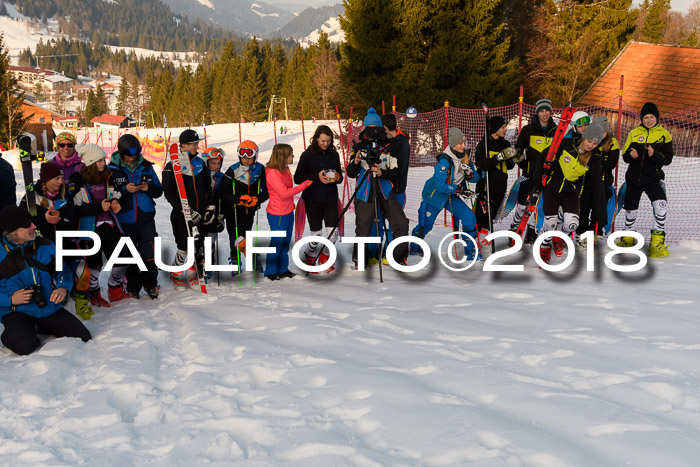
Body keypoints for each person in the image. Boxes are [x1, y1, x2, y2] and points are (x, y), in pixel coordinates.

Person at [0, 205, 91, 356]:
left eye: (32, 221)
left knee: (83, 336)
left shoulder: (46, 245)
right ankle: (15, 333)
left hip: (46, 305)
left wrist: (62, 287)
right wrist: (10, 299)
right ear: (11, 231)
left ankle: (37, 326)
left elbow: (63, 271)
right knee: (25, 346)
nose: (34, 226)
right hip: (15, 310)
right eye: (27, 224)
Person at [346, 109, 410, 268]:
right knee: (363, 228)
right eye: (370, 127)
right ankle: (360, 260)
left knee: (400, 223)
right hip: (364, 192)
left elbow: (396, 173)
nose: (374, 132)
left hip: (385, 191)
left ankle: (398, 257)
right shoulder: (359, 147)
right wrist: (356, 161)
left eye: (377, 127)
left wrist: (383, 172)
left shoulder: (389, 146)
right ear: (365, 128)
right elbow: (350, 173)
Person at [72, 144, 130, 316]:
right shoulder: (78, 179)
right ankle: (94, 293)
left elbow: (116, 195)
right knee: (94, 264)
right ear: (90, 162)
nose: (102, 163)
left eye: (103, 160)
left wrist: (115, 203)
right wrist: (98, 207)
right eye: (98, 161)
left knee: (125, 256)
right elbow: (75, 208)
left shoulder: (108, 176)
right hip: (89, 227)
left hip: (110, 223)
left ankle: (115, 287)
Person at [410, 127, 482, 260]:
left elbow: (475, 178)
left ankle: (470, 251)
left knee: (469, 217)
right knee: (426, 225)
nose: (463, 146)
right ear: (452, 144)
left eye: (464, 142)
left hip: (451, 196)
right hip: (434, 196)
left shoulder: (465, 156)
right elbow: (439, 185)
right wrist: (458, 189)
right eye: (459, 143)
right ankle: (414, 245)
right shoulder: (445, 160)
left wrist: (469, 174)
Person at [538, 122, 604, 263]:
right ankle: (544, 244)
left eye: (595, 143)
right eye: (589, 140)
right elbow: (543, 157)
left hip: (571, 192)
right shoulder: (567, 144)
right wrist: (537, 181)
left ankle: (559, 234)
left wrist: (600, 209)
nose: (591, 145)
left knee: (572, 224)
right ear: (584, 137)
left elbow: (597, 183)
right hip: (552, 189)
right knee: (550, 222)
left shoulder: (594, 157)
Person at [108, 134, 163, 299]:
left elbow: (159, 190)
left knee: (149, 254)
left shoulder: (146, 166)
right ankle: (133, 287)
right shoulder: (112, 170)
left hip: (145, 218)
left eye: (136, 152)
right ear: (121, 151)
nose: (133, 156)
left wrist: (148, 188)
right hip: (124, 220)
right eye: (130, 153)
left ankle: (151, 284)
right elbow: (109, 195)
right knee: (130, 256)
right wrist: (125, 191)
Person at [161, 129, 216, 288]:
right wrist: (187, 211)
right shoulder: (172, 165)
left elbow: (207, 187)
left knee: (197, 248)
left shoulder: (200, 163)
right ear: (183, 145)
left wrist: (210, 208)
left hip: (201, 213)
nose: (196, 146)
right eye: (193, 144)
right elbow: (169, 193)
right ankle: (176, 273)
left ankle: (192, 275)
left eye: (197, 143)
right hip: (181, 215)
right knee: (184, 248)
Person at [618, 102, 673, 257]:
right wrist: (631, 155)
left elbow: (667, 159)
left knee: (661, 206)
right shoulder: (634, 133)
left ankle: (656, 242)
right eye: (646, 117)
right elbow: (625, 156)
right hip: (634, 178)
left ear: (657, 118)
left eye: (652, 117)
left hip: (653, 178)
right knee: (630, 209)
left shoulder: (664, 134)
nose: (649, 120)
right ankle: (628, 239)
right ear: (642, 118)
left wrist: (654, 155)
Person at [293, 125, 343, 273]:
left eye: (328, 141)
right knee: (316, 235)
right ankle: (310, 255)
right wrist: (317, 177)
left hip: (331, 199)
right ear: (316, 139)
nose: (325, 144)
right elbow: (298, 178)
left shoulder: (334, 155)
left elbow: (340, 177)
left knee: (333, 234)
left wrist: (337, 177)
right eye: (322, 141)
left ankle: (325, 255)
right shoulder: (308, 154)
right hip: (312, 199)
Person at [511, 98, 558, 243]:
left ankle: (531, 230)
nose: (544, 114)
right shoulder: (528, 130)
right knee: (522, 206)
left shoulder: (556, 131)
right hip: (530, 176)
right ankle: (514, 228)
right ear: (537, 113)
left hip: (547, 177)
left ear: (551, 112)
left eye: (547, 111)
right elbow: (517, 153)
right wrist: (527, 166)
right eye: (541, 111)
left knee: (540, 207)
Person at [264, 143, 312, 280]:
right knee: (277, 242)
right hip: (277, 213)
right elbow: (284, 193)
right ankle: (271, 271)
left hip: (288, 211)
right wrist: (305, 185)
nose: (293, 157)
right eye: (290, 155)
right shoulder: (272, 172)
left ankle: (283, 269)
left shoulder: (285, 169)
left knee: (285, 243)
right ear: (282, 157)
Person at [220, 141, 269, 275]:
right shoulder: (233, 169)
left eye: (250, 157)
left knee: (246, 235)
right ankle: (236, 260)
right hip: (233, 210)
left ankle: (252, 259)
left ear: (255, 156)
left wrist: (257, 199)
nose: (246, 160)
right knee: (234, 236)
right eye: (243, 157)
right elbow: (223, 193)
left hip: (250, 210)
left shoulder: (260, 169)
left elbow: (266, 191)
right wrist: (238, 200)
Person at [576, 116, 619, 238]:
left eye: (603, 132)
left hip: (603, 182)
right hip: (587, 181)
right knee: (584, 206)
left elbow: (611, 163)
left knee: (598, 207)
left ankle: (596, 230)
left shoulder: (612, 143)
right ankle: (581, 230)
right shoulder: (589, 141)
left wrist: (599, 166)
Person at [474, 116, 517, 232]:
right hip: (485, 189)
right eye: (503, 127)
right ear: (495, 129)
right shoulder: (484, 144)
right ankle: (474, 242)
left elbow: (509, 166)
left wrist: (513, 159)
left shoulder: (505, 144)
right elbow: (481, 165)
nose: (506, 129)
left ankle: (485, 242)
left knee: (490, 220)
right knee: (481, 219)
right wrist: (497, 158)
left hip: (500, 189)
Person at [200, 147, 226, 279]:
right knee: (199, 240)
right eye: (213, 163)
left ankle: (209, 265)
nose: (216, 166)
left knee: (210, 241)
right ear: (206, 162)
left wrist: (221, 218)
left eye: (218, 163)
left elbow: (223, 200)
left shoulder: (221, 178)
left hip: (215, 214)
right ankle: (199, 264)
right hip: (200, 213)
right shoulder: (199, 177)